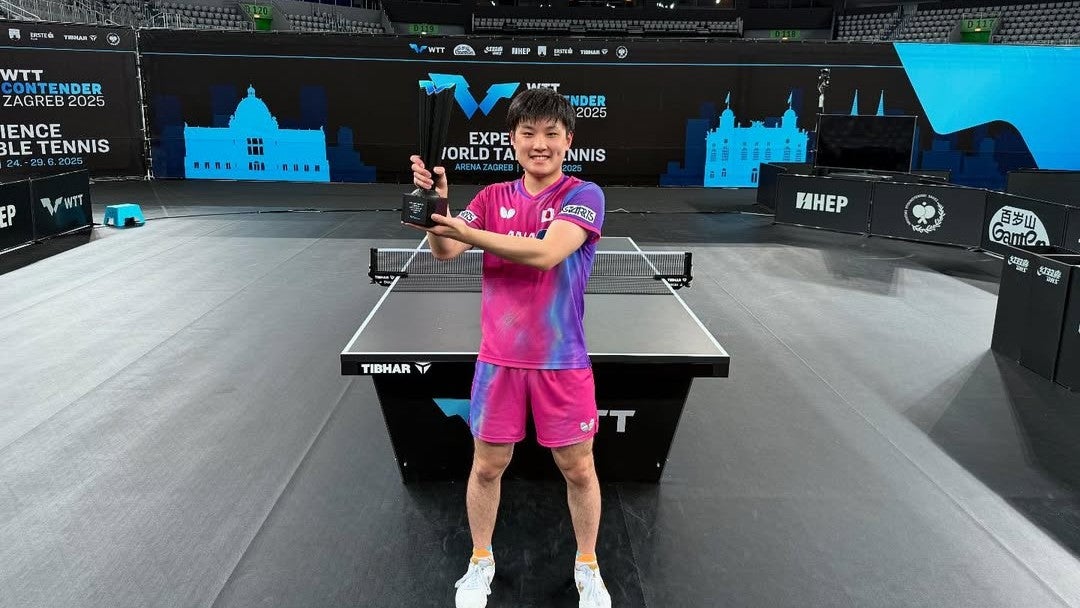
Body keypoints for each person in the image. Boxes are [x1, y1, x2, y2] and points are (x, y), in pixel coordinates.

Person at [407, 87, 611, 608]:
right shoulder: (490, 198)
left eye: (550, 133)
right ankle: (480, 561)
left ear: (568, 140)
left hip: (562, 362)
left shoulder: (584, 194)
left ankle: (588, 565)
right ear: (512, 140)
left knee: (579, 469)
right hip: (498, 361)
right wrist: (438, 207)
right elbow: (446, 249)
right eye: (528, 133)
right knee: (486, 467)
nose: (539, 143)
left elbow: (546, 253)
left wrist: (464, 232)